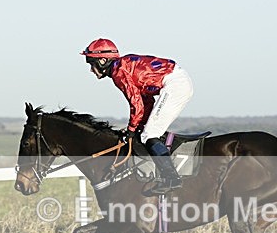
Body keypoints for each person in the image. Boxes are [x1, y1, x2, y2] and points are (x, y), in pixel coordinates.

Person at [81, 38, 193, 195]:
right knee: (147, 131)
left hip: (175, 85)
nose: (91, 70)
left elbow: (136, 104)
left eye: (91, 63)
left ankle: (171, 178)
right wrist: (138, 126)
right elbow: (146, 101)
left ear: (102, 61)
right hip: (177, 81)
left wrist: (131, 129)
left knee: (149, 134)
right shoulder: (122, 66)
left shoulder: (119, 72)